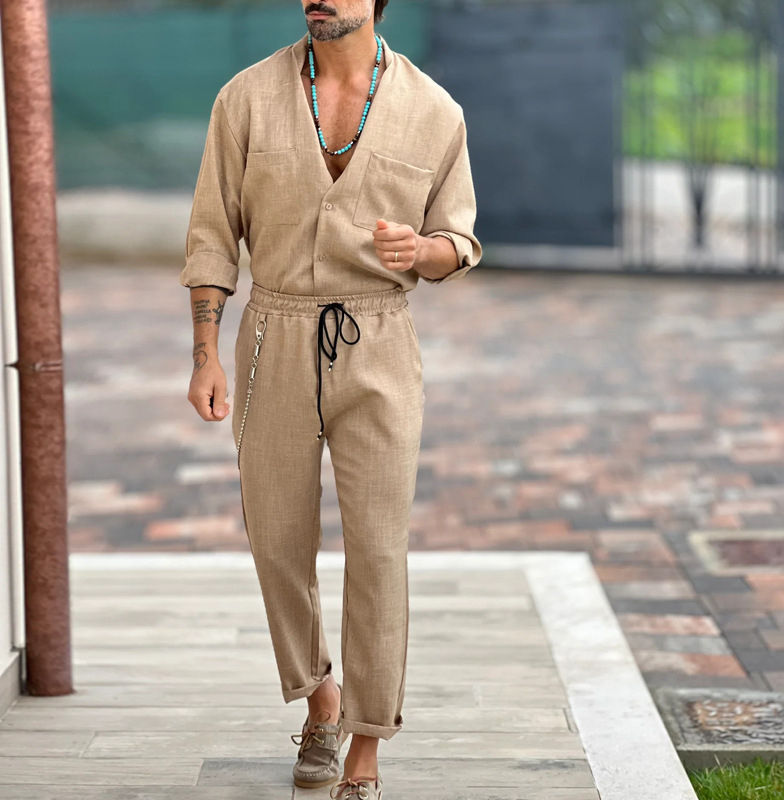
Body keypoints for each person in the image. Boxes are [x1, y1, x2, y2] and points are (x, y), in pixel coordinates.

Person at [180, 2, 481, 797]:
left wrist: (422, 250)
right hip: (272, 334)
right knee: (276, 541)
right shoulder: (244, 99)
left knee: (378, 549)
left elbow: (459, 242)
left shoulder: (434, 110)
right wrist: (205, 354)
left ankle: (365, 752)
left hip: (379, 341)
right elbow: (212, 234)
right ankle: (321, 697)